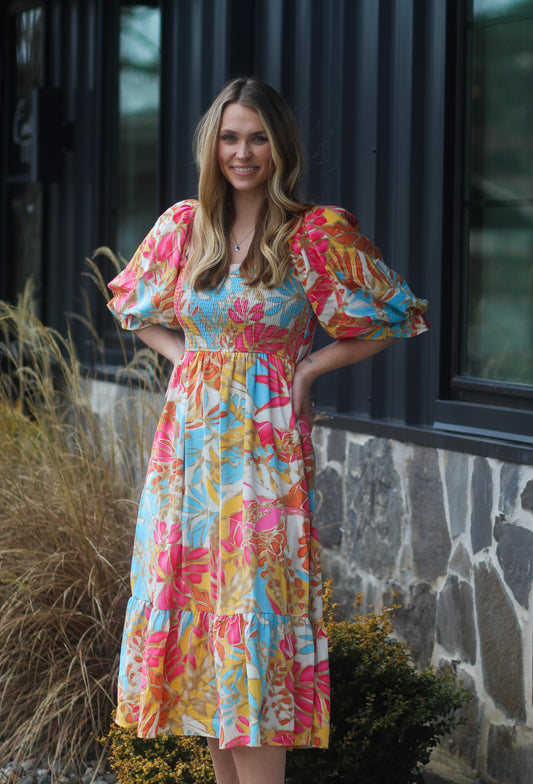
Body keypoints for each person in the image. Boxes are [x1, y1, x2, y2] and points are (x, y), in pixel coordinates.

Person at [107, 76, 428, 784]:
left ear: (278, 145)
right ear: (211, 145)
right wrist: (186, 356)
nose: (241, 152)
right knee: (199, 617)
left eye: (255, 137)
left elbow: (393, 314)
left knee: (252, 617)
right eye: (228, 137)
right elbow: (132, 305)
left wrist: (308, 368)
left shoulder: (313, 232)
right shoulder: (186, 225)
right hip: (187, 450)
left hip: (262, 453)